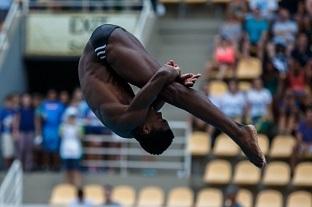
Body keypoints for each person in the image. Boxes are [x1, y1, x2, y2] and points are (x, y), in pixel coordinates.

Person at [78, 24, 266, 168]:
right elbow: (152, 97)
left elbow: (162, 76)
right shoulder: (131, 125)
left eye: (161, 121)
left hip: (101, 47)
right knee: (170, 90)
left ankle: (238, 132)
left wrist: (171, 75)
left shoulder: (126, 120)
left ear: (146, 130)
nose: (160, 115)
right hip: (106, 50)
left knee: (171, 91)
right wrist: (170, 80)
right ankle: (238, 132)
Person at [37, 90, 65, 170]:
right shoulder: (43, 104)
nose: (52, 96)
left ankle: (56, 166)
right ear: (48, 95)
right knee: (46, 150)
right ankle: (46, 166)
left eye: (54, 94)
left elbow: (63, 118)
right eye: (51, 94)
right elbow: (38, 116)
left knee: (55, 150)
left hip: (56, 130)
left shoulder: (60, 105)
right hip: (46, 130)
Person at [60, 108, 83, 186]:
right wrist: (67, 125)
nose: (72, 119)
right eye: (70, 117)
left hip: (76, 151)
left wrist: (75, 127)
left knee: (76, 170)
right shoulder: (63, 126)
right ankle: (67, 186)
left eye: (73, 117)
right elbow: (61, 135)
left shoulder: (79, 126)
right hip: (66, 151)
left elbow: (80, 136)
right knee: (67, 170)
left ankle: (77, 185)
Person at [13, 93, 35, 171]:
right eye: (25, 99)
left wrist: (38, 133)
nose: (26, 101)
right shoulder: (19, 110)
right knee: (20, 149)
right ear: (22, 101)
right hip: (21, 132)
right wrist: (16, 132)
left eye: (28, 99)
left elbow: (36, 121)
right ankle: (19, 167)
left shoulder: (33, 109)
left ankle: (28, 167)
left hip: (30, 132)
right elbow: (16, 121)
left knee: (29, 150)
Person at [291, 106, 312, 171]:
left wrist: (308, 145)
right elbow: (299, 137)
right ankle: (293, 170)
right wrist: (302, 145)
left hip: (311, 145)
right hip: (303, 144)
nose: (310, 118)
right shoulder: (302, 125)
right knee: (295, 148)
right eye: (308, 116)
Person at [0, 95, 16, 169]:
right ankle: (7, 168)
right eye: (7, 102)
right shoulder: (2, 112)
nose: (8, 104)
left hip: (14, 134)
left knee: (13, 152)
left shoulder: (14, 111)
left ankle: (13, 168)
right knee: (7, 152)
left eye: (10, 103)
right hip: (5, 134)